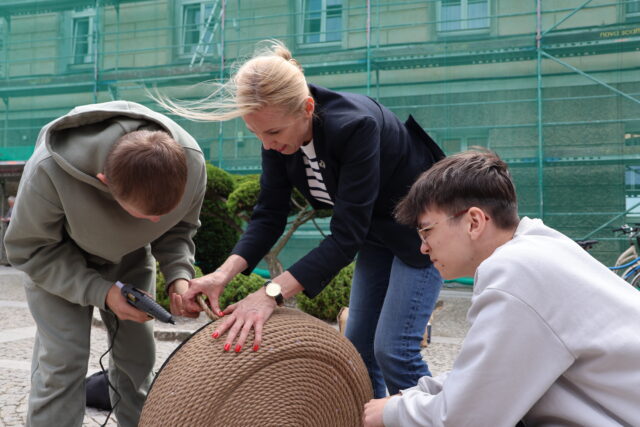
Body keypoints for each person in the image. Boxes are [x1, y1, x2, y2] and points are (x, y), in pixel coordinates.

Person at [163, 40, 445, 398]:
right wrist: (221, 275)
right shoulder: (278, 134)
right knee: (357, 352)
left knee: (395, 351)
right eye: (256, 134)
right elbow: (268, 215)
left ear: (307, 108)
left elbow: (345, 236)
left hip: (424, 231)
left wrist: (270, 293)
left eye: (274, 133)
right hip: (376, 232)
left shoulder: (356, 126)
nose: (266, 145)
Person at [362, 150, 640, 426]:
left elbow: (468, 419)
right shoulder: (536, 246)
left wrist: (391, 413)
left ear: (474, 222)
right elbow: (485, 375)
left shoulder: (515, 273)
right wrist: (414, 395)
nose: (422, 247)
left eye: (426, 231)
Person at [4, 101, 207, 427]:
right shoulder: (49, 171)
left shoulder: (192, 162)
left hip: (129, 258)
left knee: (138, 361)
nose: (156, 221)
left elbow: (179, 229)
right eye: (146, 214)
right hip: (57, 260)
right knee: (63, 362)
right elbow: (30, 250)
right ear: (105, 182)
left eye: (163, 213)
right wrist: (102, 292)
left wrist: (178, 276)